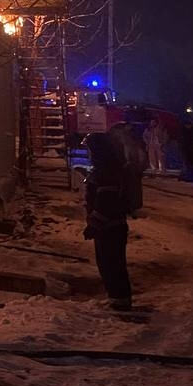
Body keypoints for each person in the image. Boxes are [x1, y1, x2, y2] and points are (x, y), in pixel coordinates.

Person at [83, 131, 133, 311]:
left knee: (111, 263)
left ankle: (120, 301)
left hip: (110, 227)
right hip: (112, 225)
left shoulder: (106, 172)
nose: (88, 153)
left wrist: (94, 225)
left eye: (89, 149)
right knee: (110, 262)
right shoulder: (107, 169)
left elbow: (106, 202)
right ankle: (117, 298)